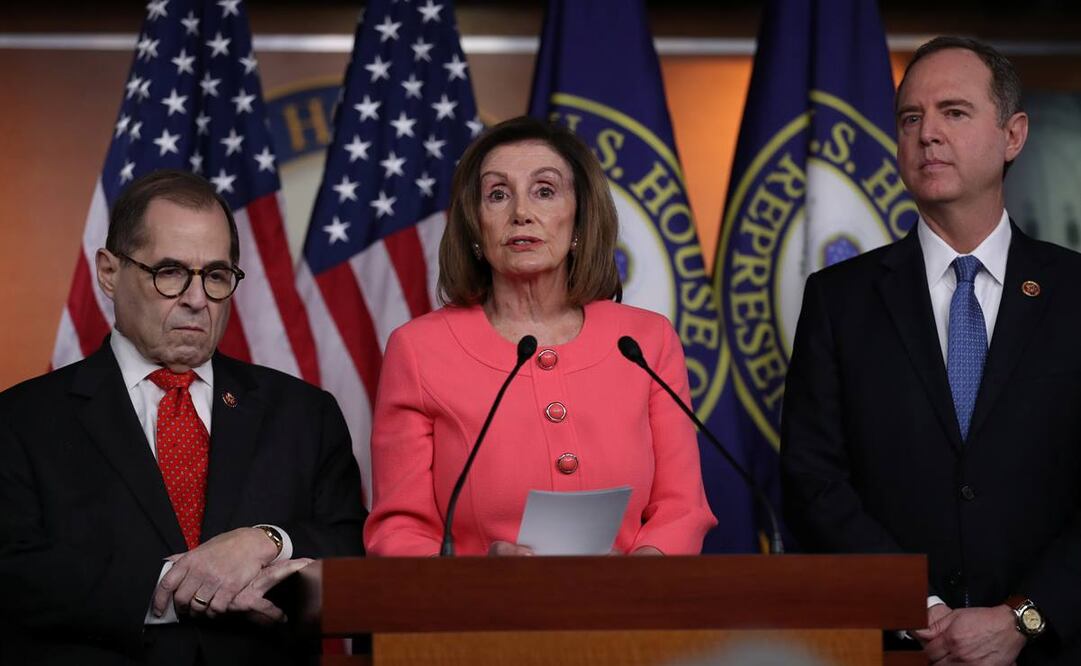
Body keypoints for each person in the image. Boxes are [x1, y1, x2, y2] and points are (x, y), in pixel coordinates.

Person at [781, 36, 1081, 665]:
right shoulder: (839, 299)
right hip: (890, 648)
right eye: (911, 118)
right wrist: (918, 606)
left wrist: (1024, 618)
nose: (927, 134)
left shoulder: (1074, 293)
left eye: (955, 112)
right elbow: (814, 481)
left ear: (1014, 136)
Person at [0, 169, 365, 664]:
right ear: (109, 272)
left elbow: (354, 546)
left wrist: (269, 542)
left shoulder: (305, 413)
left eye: (216, 275)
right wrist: (179, 589)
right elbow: (14, 571)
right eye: (169, 271)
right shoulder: (22, 421)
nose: (197, 299)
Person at [364, 116, 716, 557]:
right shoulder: (418, 350)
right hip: (479, 618)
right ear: (475, 227)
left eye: (544, 191)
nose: (521, 213)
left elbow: (682, 508)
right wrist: (476, 582)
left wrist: (643, 573)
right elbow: (399, 530)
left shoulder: (647, 339)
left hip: (630, 613)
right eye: (497, 195)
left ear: (580, 220)